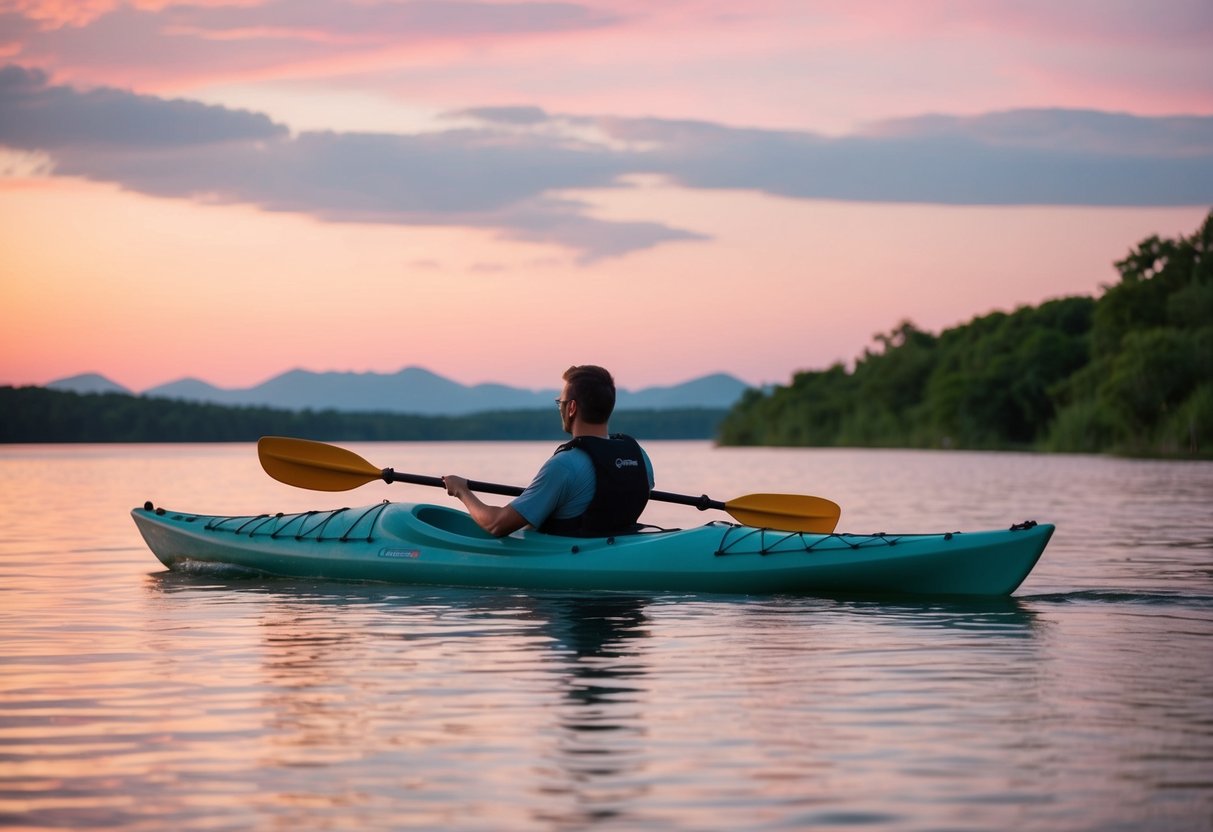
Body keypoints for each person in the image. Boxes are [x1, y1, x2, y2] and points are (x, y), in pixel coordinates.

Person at [442, 365, 654, 537]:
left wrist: (461, 490)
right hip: (618, 546)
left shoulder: (565, 465)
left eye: (560, 402)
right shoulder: (639, 456)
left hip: (571, 556)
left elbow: (497, 525)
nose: (559, 408)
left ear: (571, 408)